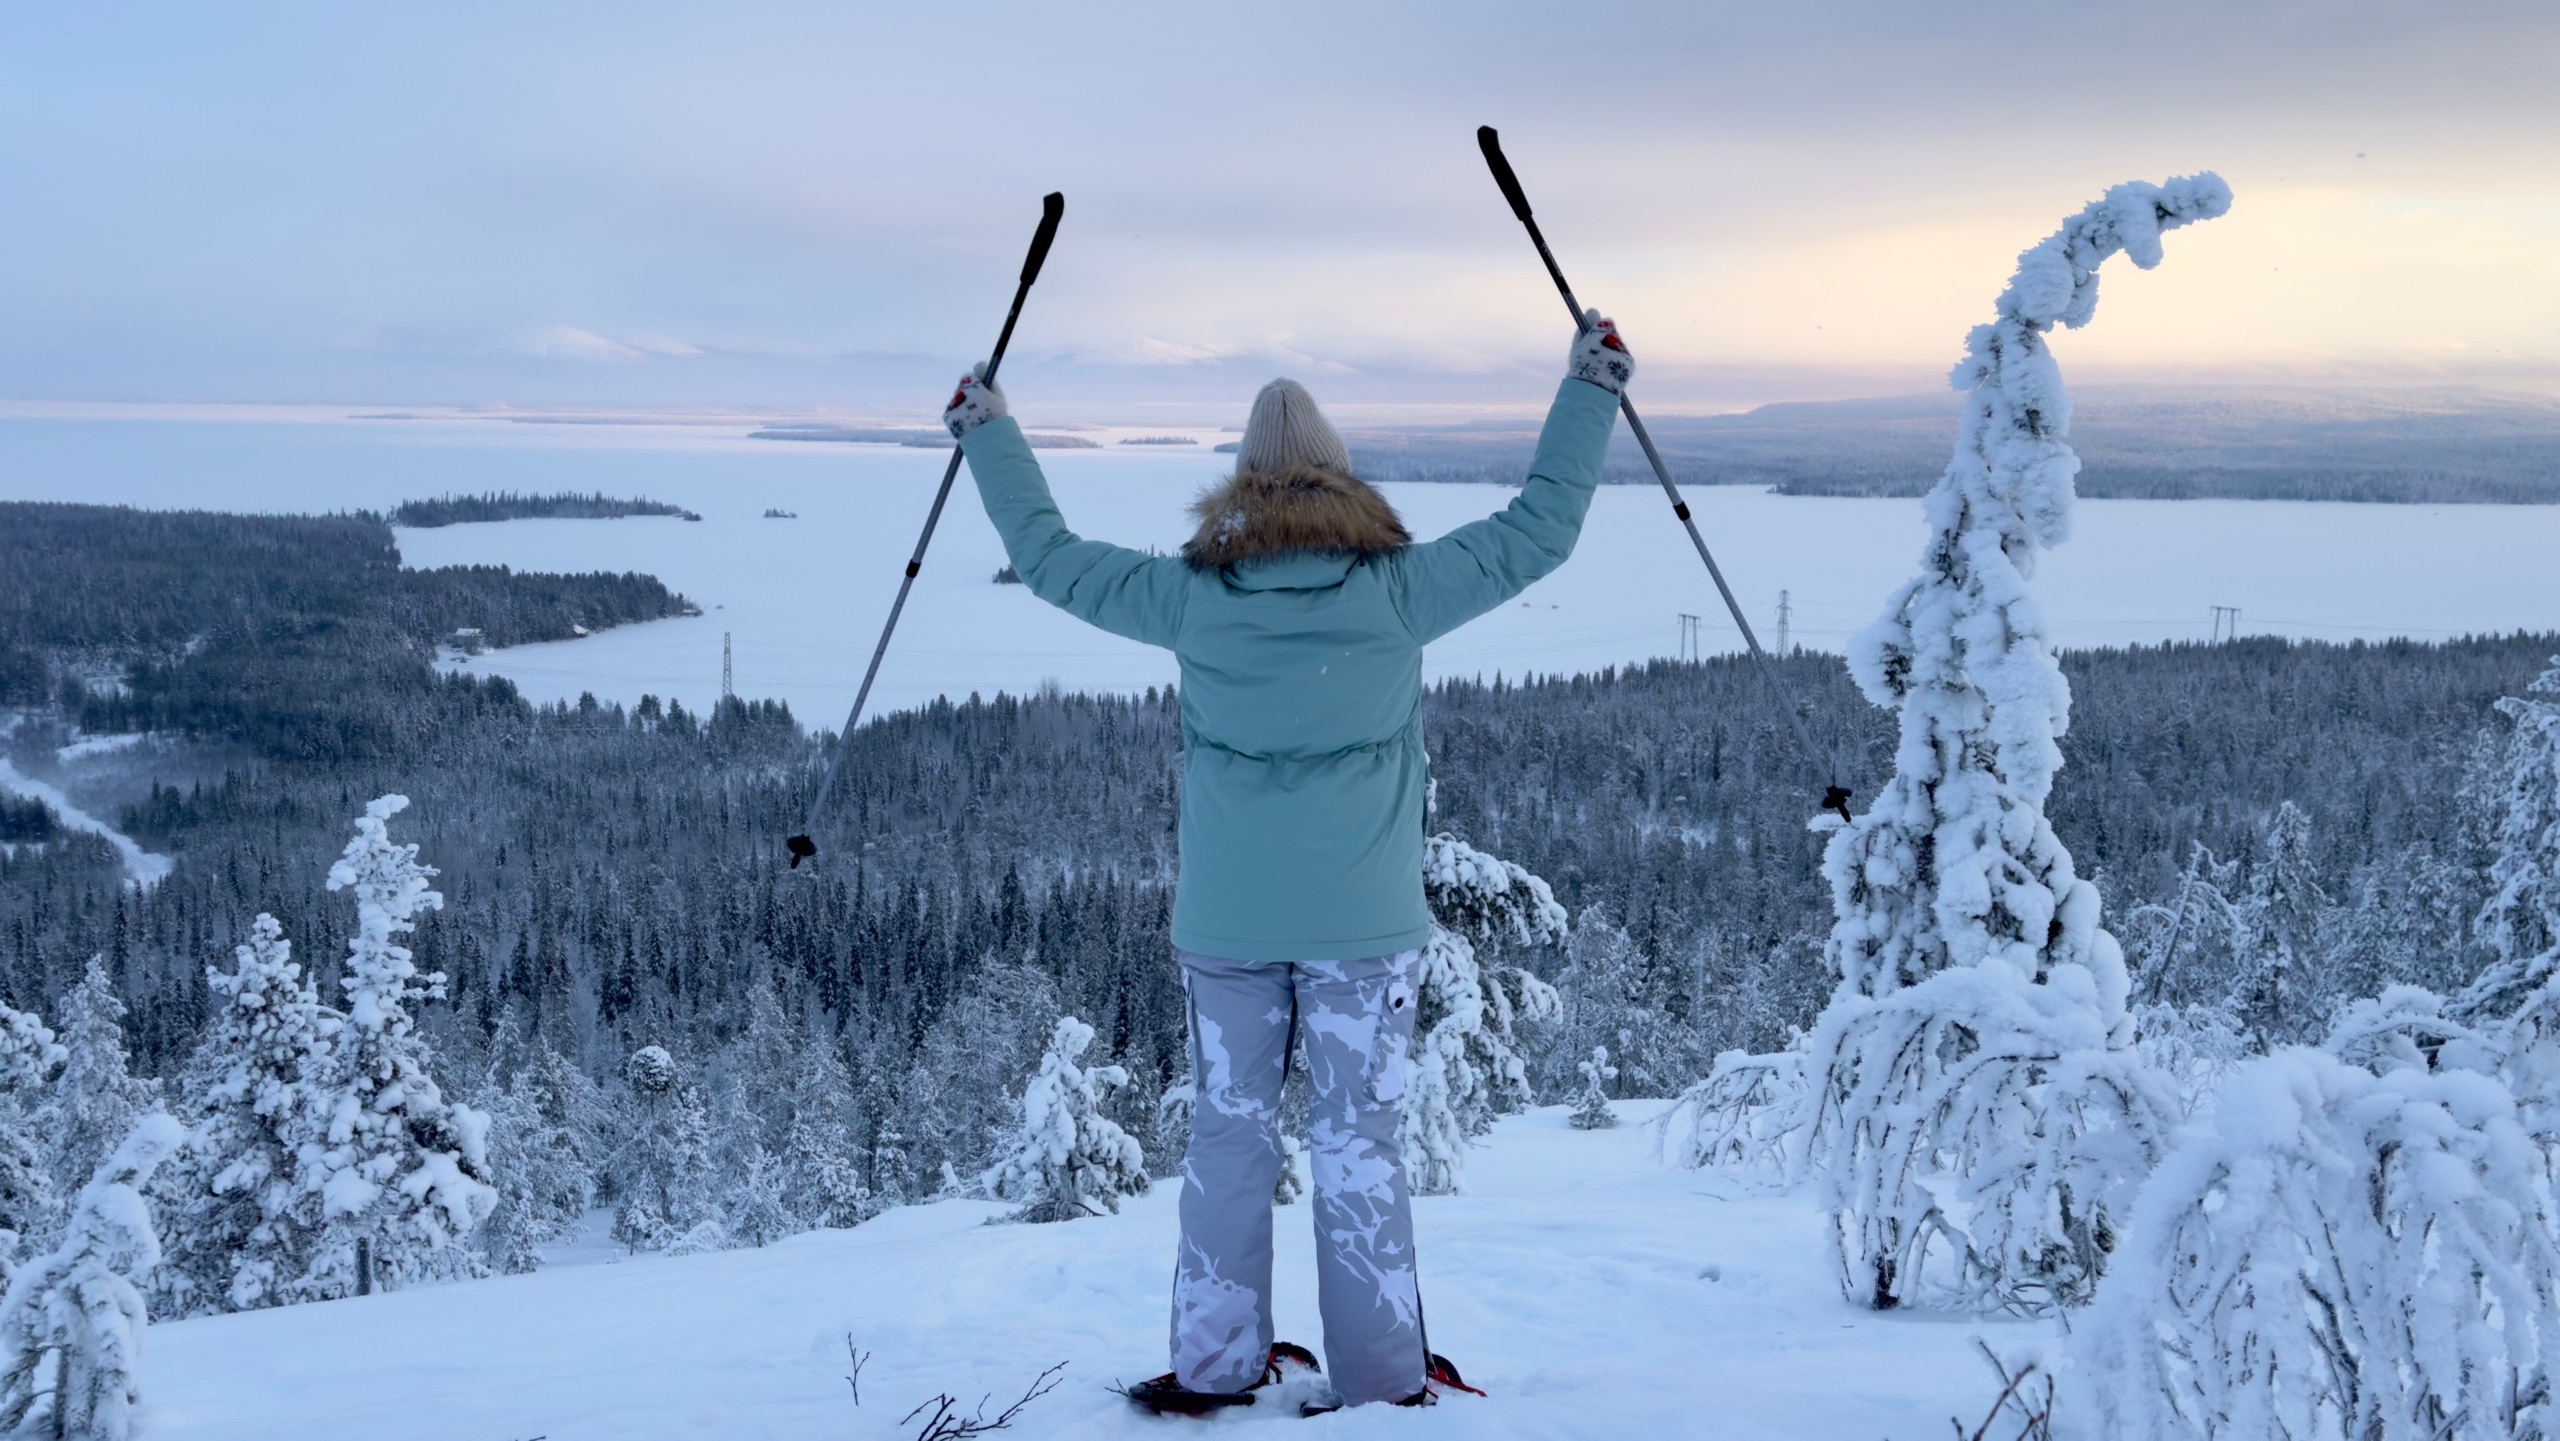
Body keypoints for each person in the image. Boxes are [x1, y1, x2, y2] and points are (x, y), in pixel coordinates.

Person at [943, 313, 1631, 1412]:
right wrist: (1591, 387)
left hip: (1228, 927)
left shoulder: (1191, 598)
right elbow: (1541, 527)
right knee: (1359, 1142)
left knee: (1228, 1140)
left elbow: (1049, 558)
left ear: (1241, 486)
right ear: (1340, 480)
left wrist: (988, 432)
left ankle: (1216, 1366)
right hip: (1364, 929)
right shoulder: (1400, 589)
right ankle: (1383, 1379)